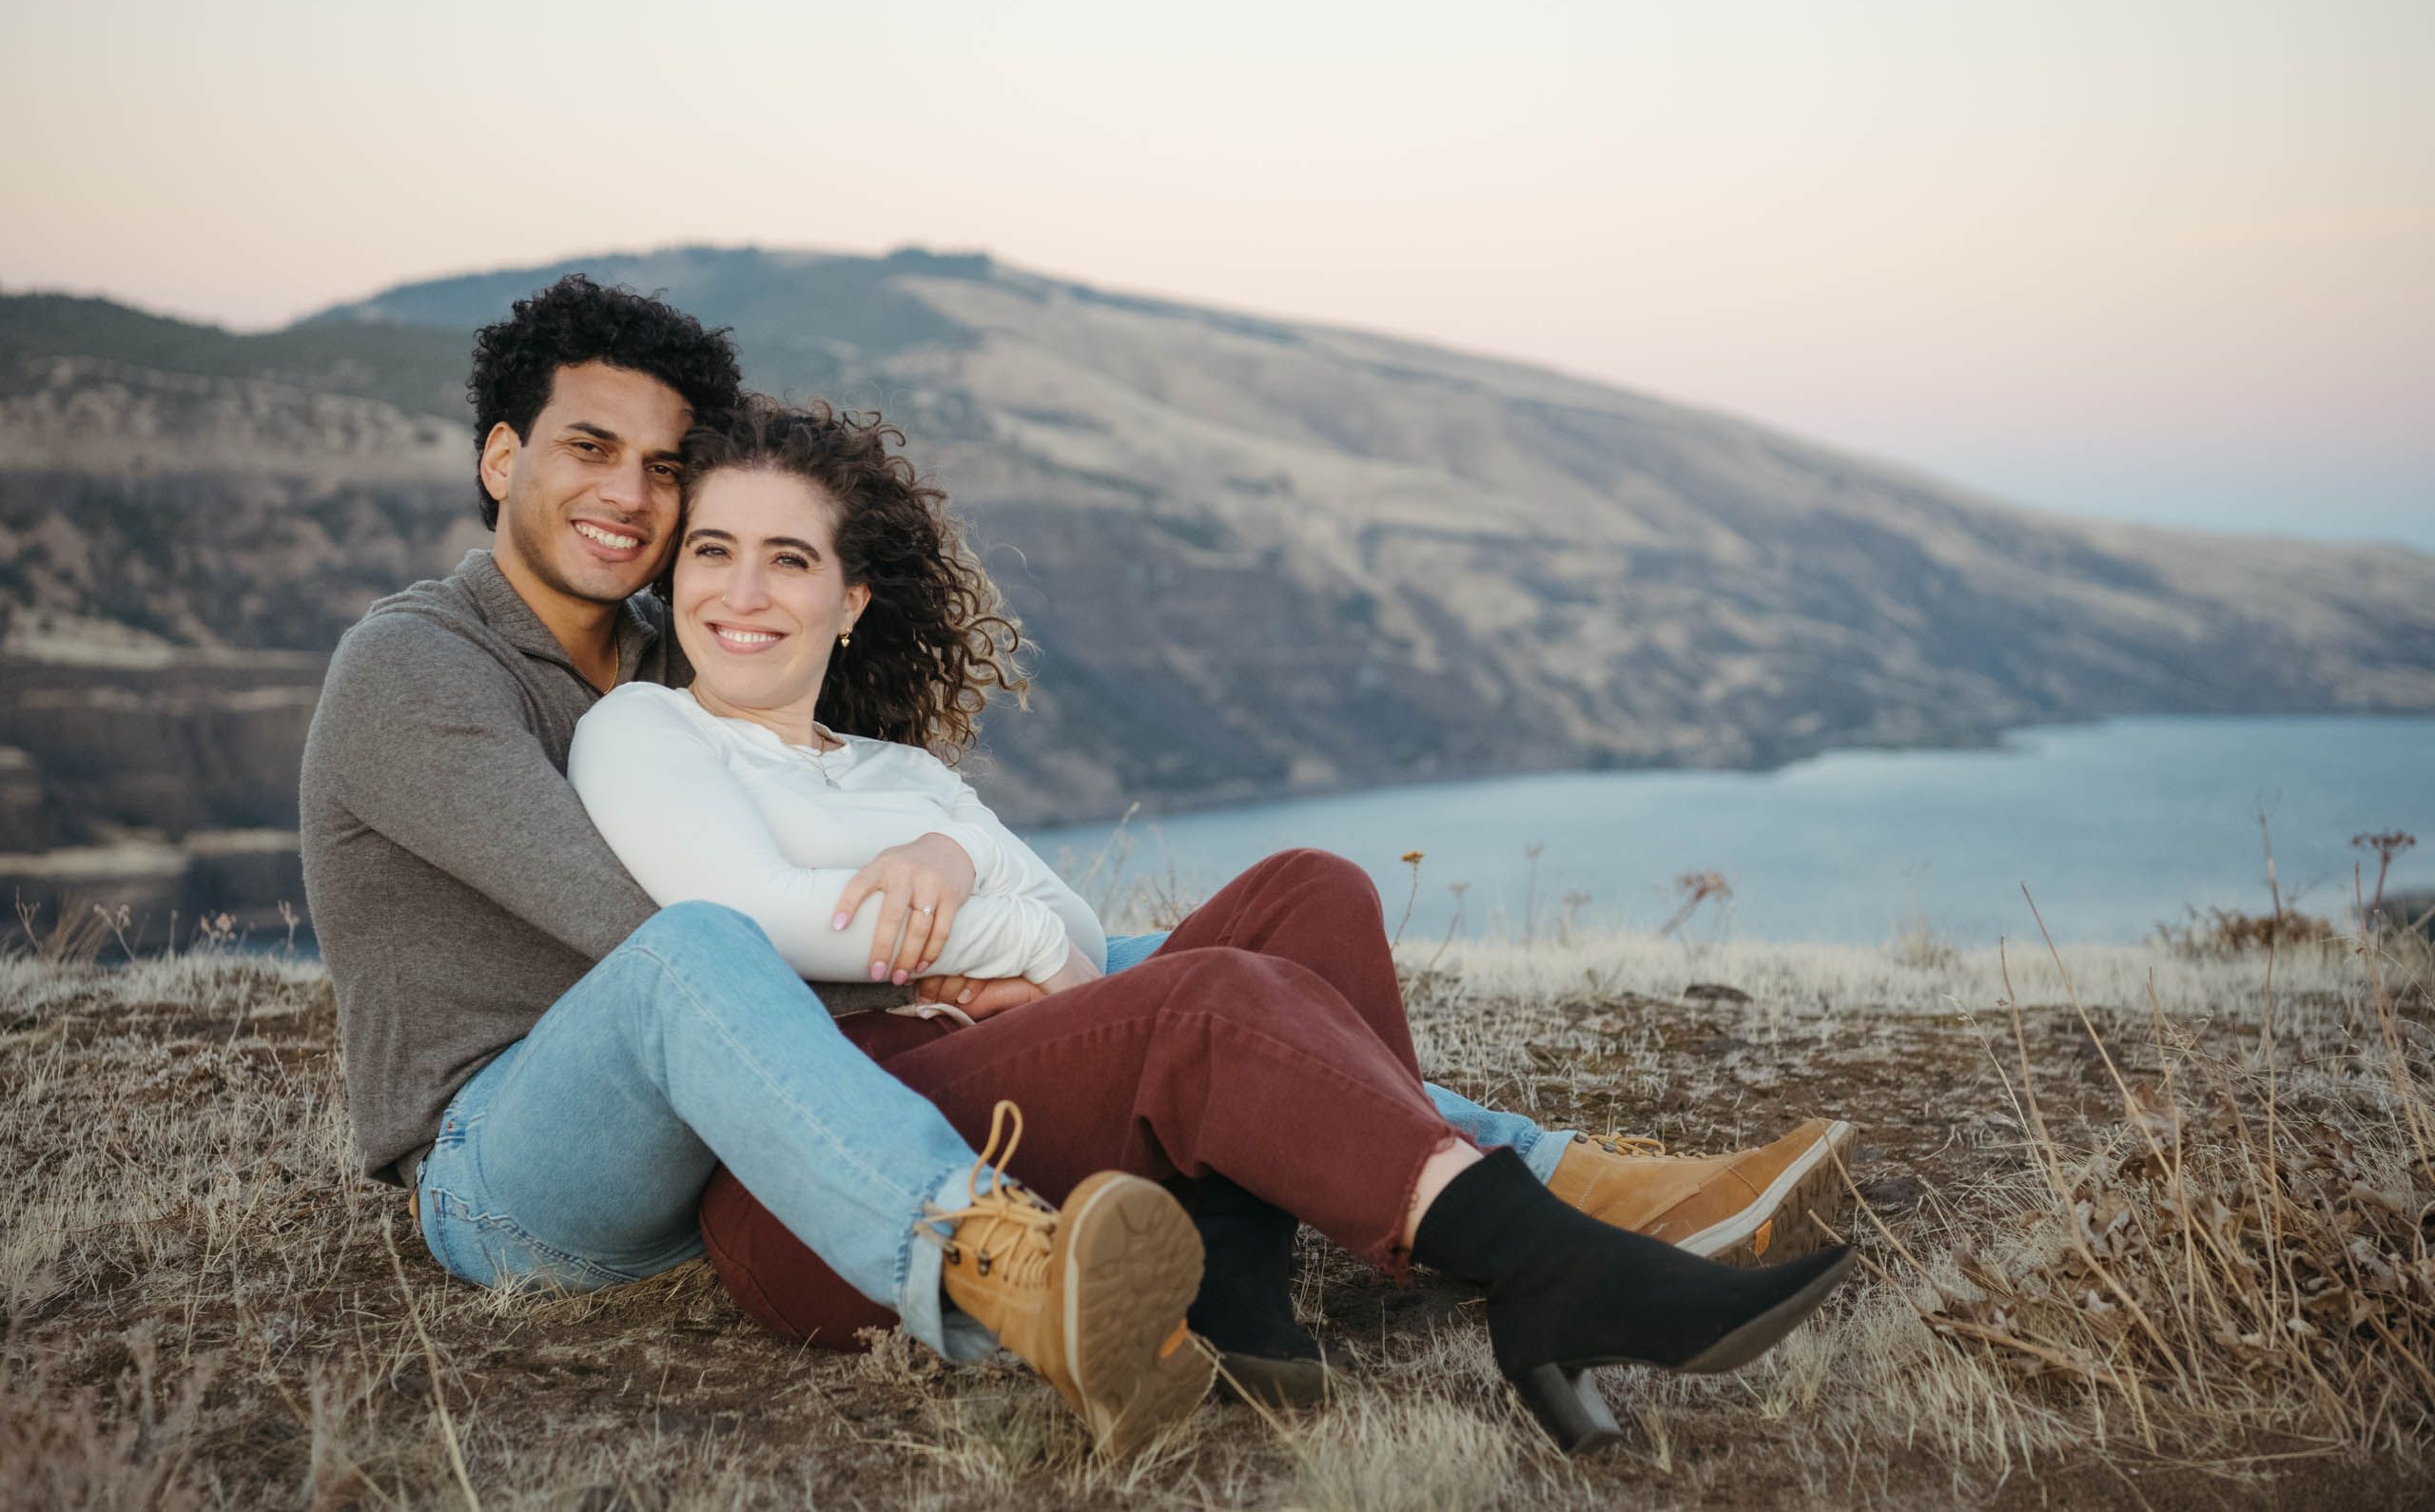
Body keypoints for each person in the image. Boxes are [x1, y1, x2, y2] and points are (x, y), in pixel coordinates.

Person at [297, 274, 1852, 1459]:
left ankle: (1480, 1201)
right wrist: (950, 961)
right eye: (587, 449)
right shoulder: (428, 674)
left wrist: (975, 911)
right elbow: (656, 932)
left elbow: (1026, 911)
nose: (633, 501)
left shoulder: (682, 660)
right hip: (516, 1155)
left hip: (781, 1077)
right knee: (729, 960)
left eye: (666, 475)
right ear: (500, 457)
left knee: (1299, 898)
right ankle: (1022, 1270)